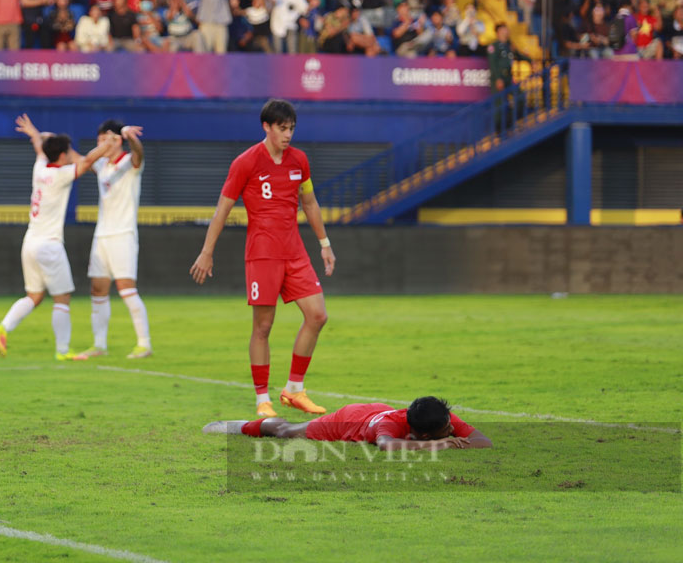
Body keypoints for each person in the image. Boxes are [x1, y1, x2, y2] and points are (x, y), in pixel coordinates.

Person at [189, 99, 336, 418]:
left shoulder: (300, 161)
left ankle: (295, 390)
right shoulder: (246, 162)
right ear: (266, 127)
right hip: (263, 254)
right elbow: (223, 208)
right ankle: (262, 400)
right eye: (282, 129)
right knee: (263, 326)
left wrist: (324, 243)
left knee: (317, 315)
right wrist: (206, 251)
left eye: (292, 129)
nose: (288, 135)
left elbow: (309, 204)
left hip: (295, 252)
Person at [0, 115, 120, 360]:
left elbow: (41, 147)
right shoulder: (61, 175)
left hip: (29, 243)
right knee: (62, 299)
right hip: (49, 246)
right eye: (68, 150)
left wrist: (33, 134)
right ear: (61, 156)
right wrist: (108, 145)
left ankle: (3, 327)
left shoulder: (39, 168)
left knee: (35, 296)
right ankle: (63, 351)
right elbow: (89, 160)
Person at [73, 121, 151, 361]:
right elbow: (79, 160)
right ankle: (99, 345)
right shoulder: (103, 165)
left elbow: (138, 153)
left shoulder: (129, 163)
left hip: (123, 234)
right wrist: (46, 141)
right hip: (102, 236)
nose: (101, 145)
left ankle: (144, 344)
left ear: (117, 140)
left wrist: (130, 137)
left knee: (127, 289)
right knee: (97, 290)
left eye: (106, 140)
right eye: (99, 141)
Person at [202, 396, 494, 450]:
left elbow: (484, 441)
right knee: (287, 432)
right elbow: (386, 447)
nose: (453, 430)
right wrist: (440, 445)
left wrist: (448, 440)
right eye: (446, 432)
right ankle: (238, 425)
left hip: (375, 409)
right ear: (426, 433)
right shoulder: (389, 428)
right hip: (347, 422)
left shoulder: (440, 416)